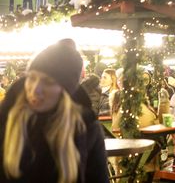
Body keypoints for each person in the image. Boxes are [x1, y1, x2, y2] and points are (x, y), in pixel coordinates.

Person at [0, 39, 109, 183]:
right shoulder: (6, 119)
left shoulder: (85, 127)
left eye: (48, 82)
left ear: (66, 91)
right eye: (32, 78)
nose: (35, 90)